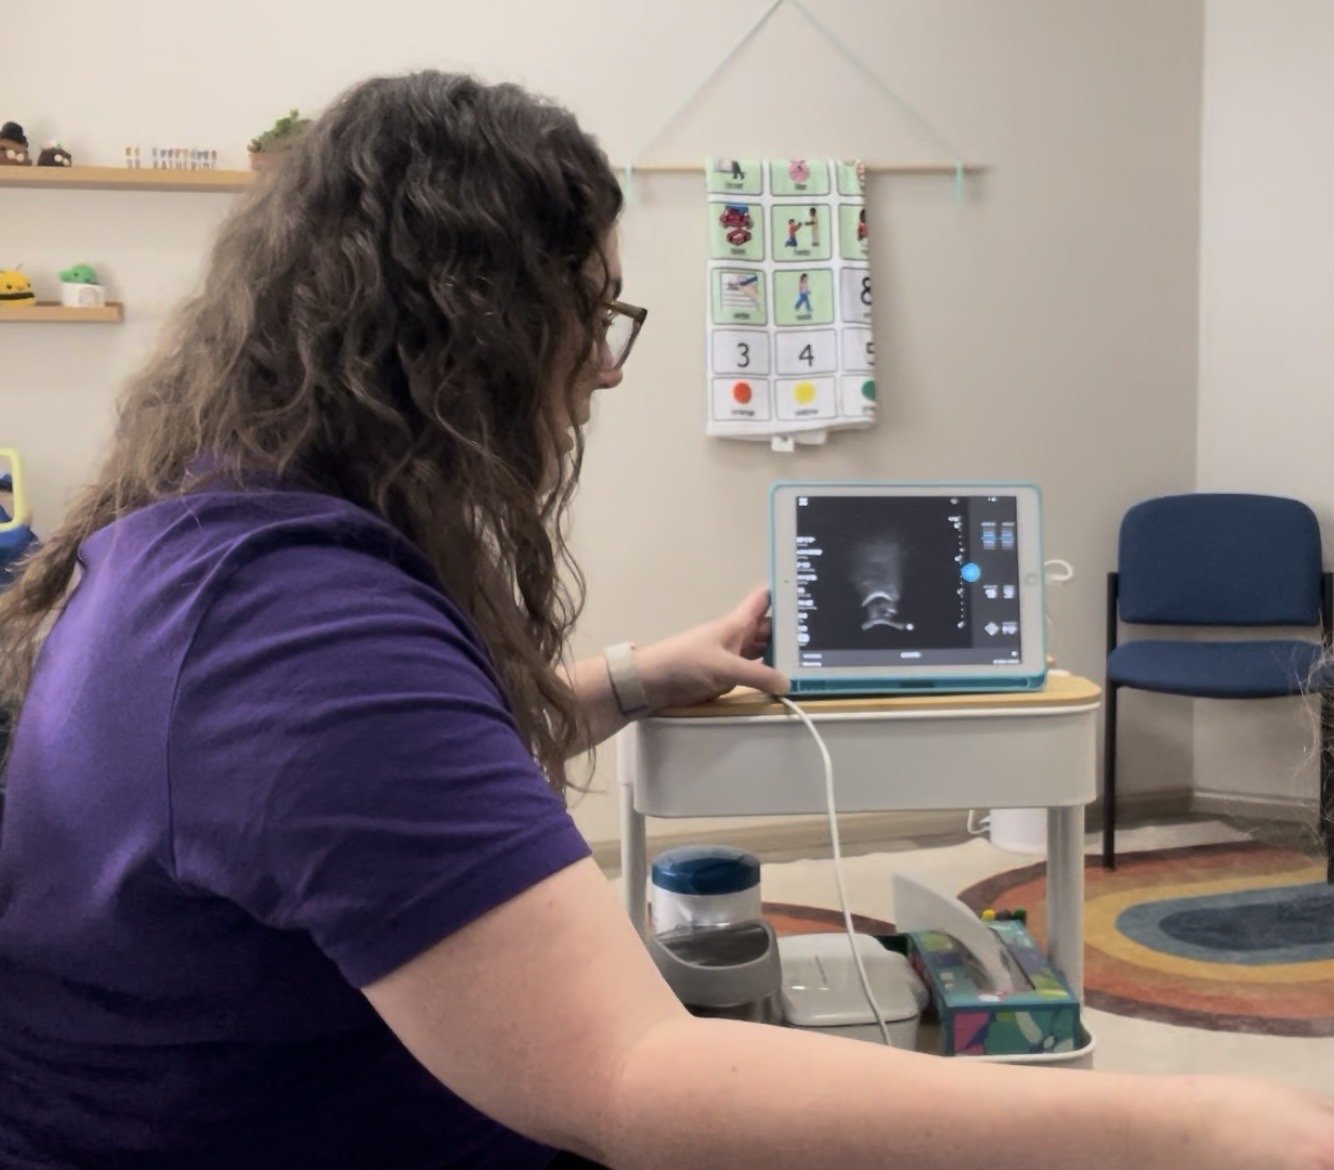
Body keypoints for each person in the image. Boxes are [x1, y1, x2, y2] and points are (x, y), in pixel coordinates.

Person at [0, 70, 1328, 1170]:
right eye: (595, 315)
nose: (599, 368)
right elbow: (635, 1077)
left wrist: (630, 677)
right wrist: (1196, 1124)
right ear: (482, 331)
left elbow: (375, 796)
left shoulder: (207, 542)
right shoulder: (293, 637)